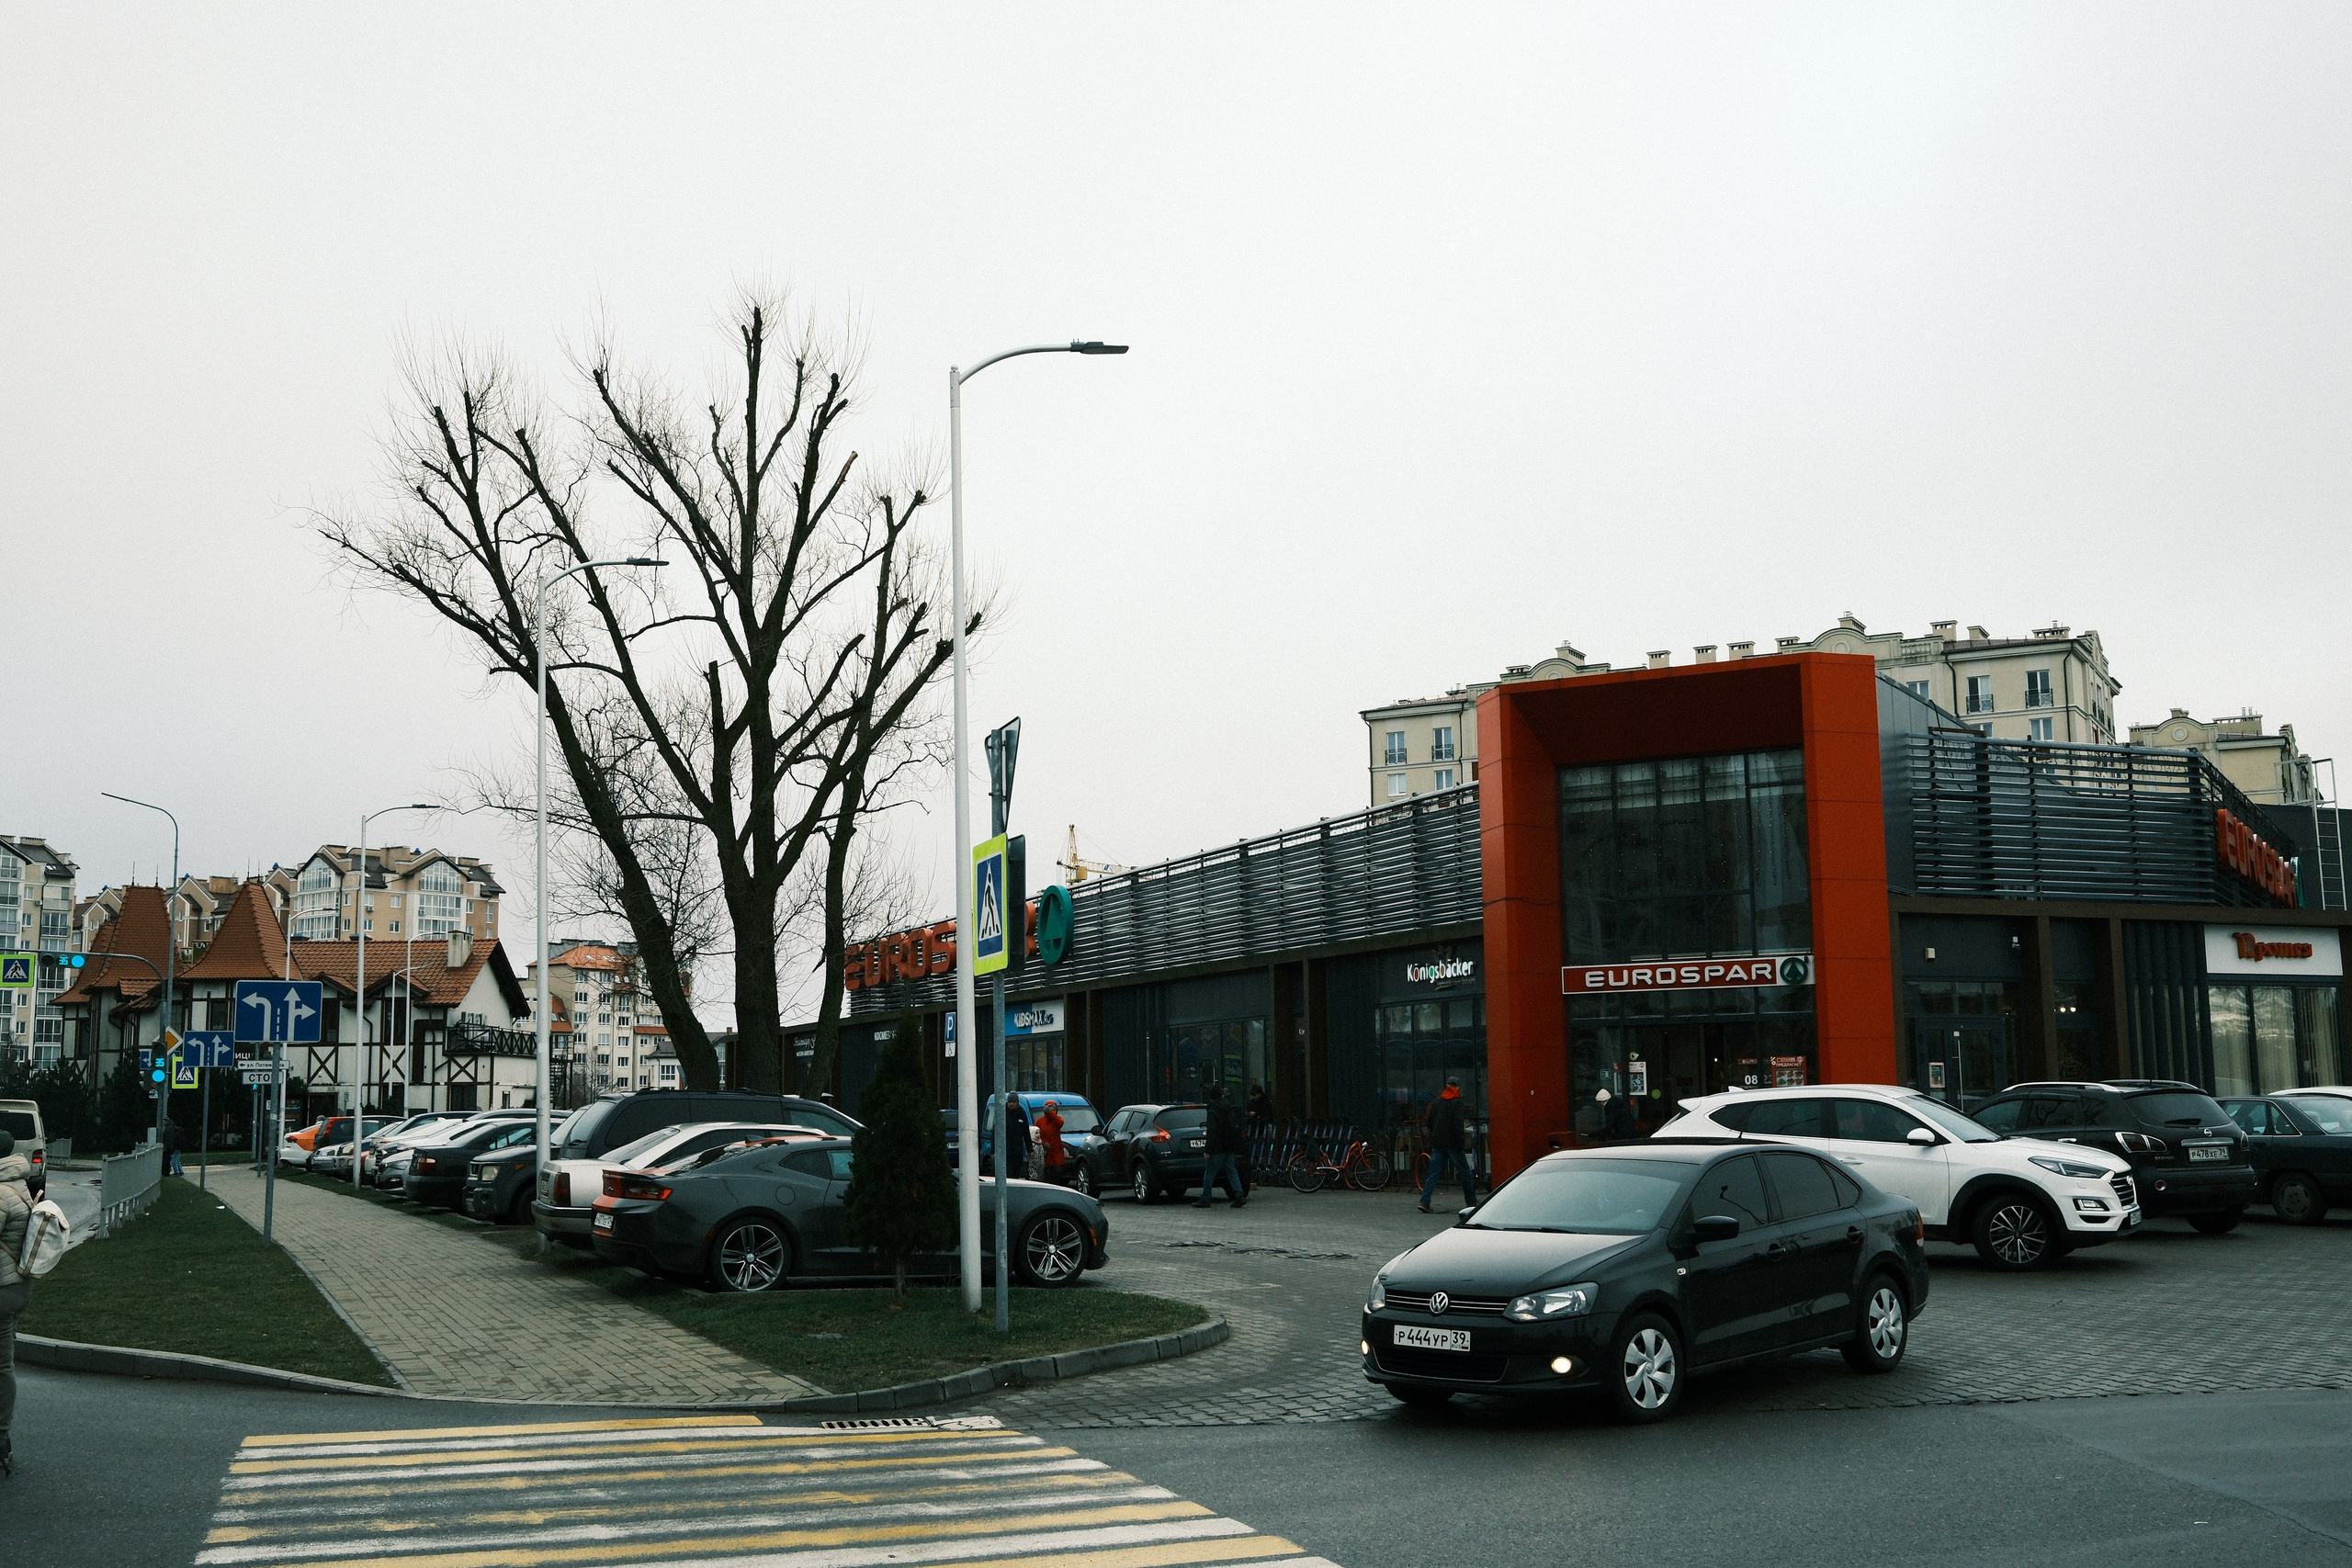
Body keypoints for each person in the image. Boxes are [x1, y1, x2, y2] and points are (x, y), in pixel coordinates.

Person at [0, 1128, 34, 1477]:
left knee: (1, 1365)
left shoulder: (0, 1192)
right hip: (18, 1287)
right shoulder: (18, 1184)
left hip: (2, 1288)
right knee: (4, 1358)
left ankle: (1, 1438)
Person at [1418, 1077, 1477, 1213]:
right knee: (1464, 1172)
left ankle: (1424, 1201)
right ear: (1458, 1088)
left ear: (1446, 1086)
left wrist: (1434, 1135)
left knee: (1433, 1173)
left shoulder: (1437, 1101)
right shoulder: (1457, 1102)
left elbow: (1430, 1121)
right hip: (1453, 1144)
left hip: (1438, 1143)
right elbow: (1458, 1124)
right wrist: (1460, 1141)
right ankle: (1471, 1201)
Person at [1194, 1086, 1247, 1208]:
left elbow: (1212, 1132)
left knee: (1210, 1172)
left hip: (1217, 1147)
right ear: (1222, 1096)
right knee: (1231, 1170)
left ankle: (1206, 1198)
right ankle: (1239, 1195)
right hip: (1229, 1145)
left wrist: (1207, 1149)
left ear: (1211, 1098)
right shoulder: (1228, 1109)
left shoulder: (1212, 1111)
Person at [1036, 1100, 1069, 1186]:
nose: (1052, 1112)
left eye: (1054, 1110)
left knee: (1057, 1174)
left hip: (1057, 1153)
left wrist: (1050, 1112)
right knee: (1047, 1177)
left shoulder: (1058, 1120)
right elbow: (1034, 1135)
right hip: (1045, 1153)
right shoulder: (1040, 1121)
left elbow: (1060, 1123)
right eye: (1050, 1110)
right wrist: (1043, 1143)